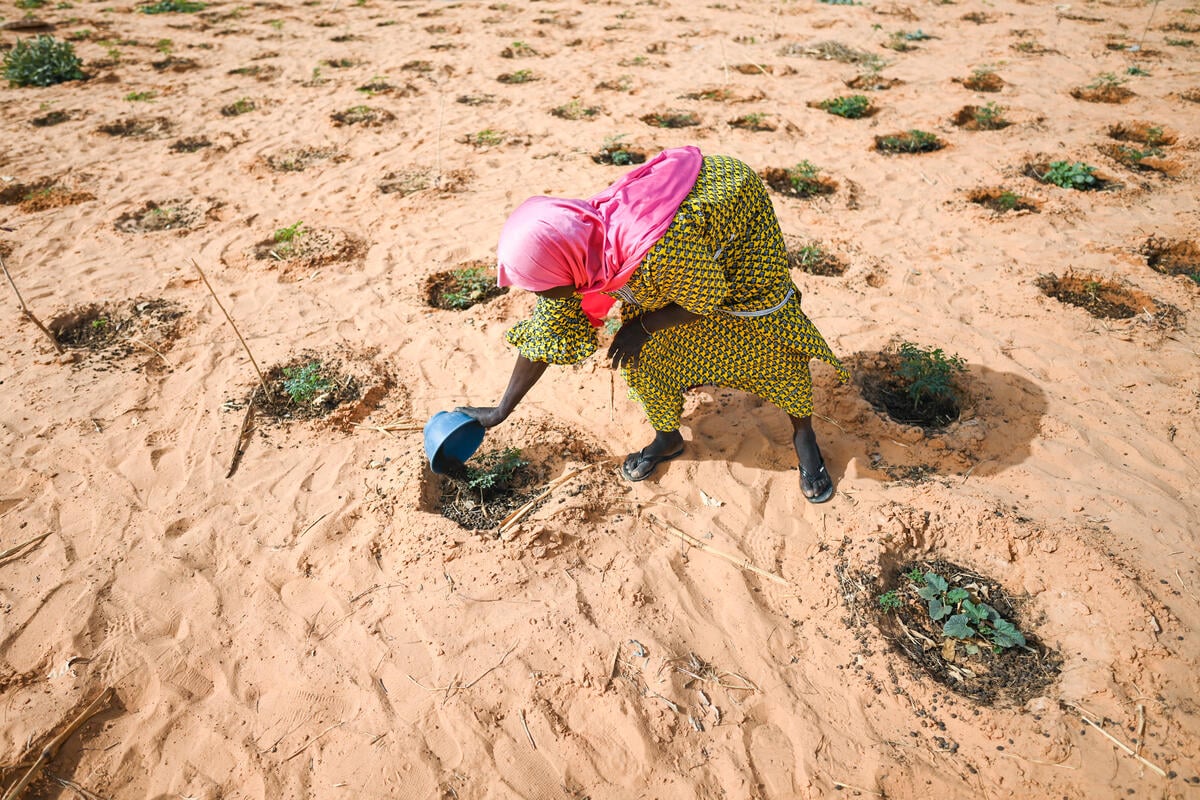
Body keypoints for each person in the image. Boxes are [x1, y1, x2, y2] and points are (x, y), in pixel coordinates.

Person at [457, 146, 849, 503]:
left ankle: (803, 434)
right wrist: (500, 410)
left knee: (767, 343)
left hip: (732, 218)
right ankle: (667, 438)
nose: (541, 296)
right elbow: (548, 333)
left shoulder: (657, 251)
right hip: (676, 259)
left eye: (542, 287)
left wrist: (640, 327)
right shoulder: (581, 253)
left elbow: (707, 299)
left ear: (563, 268)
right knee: (645, 360)